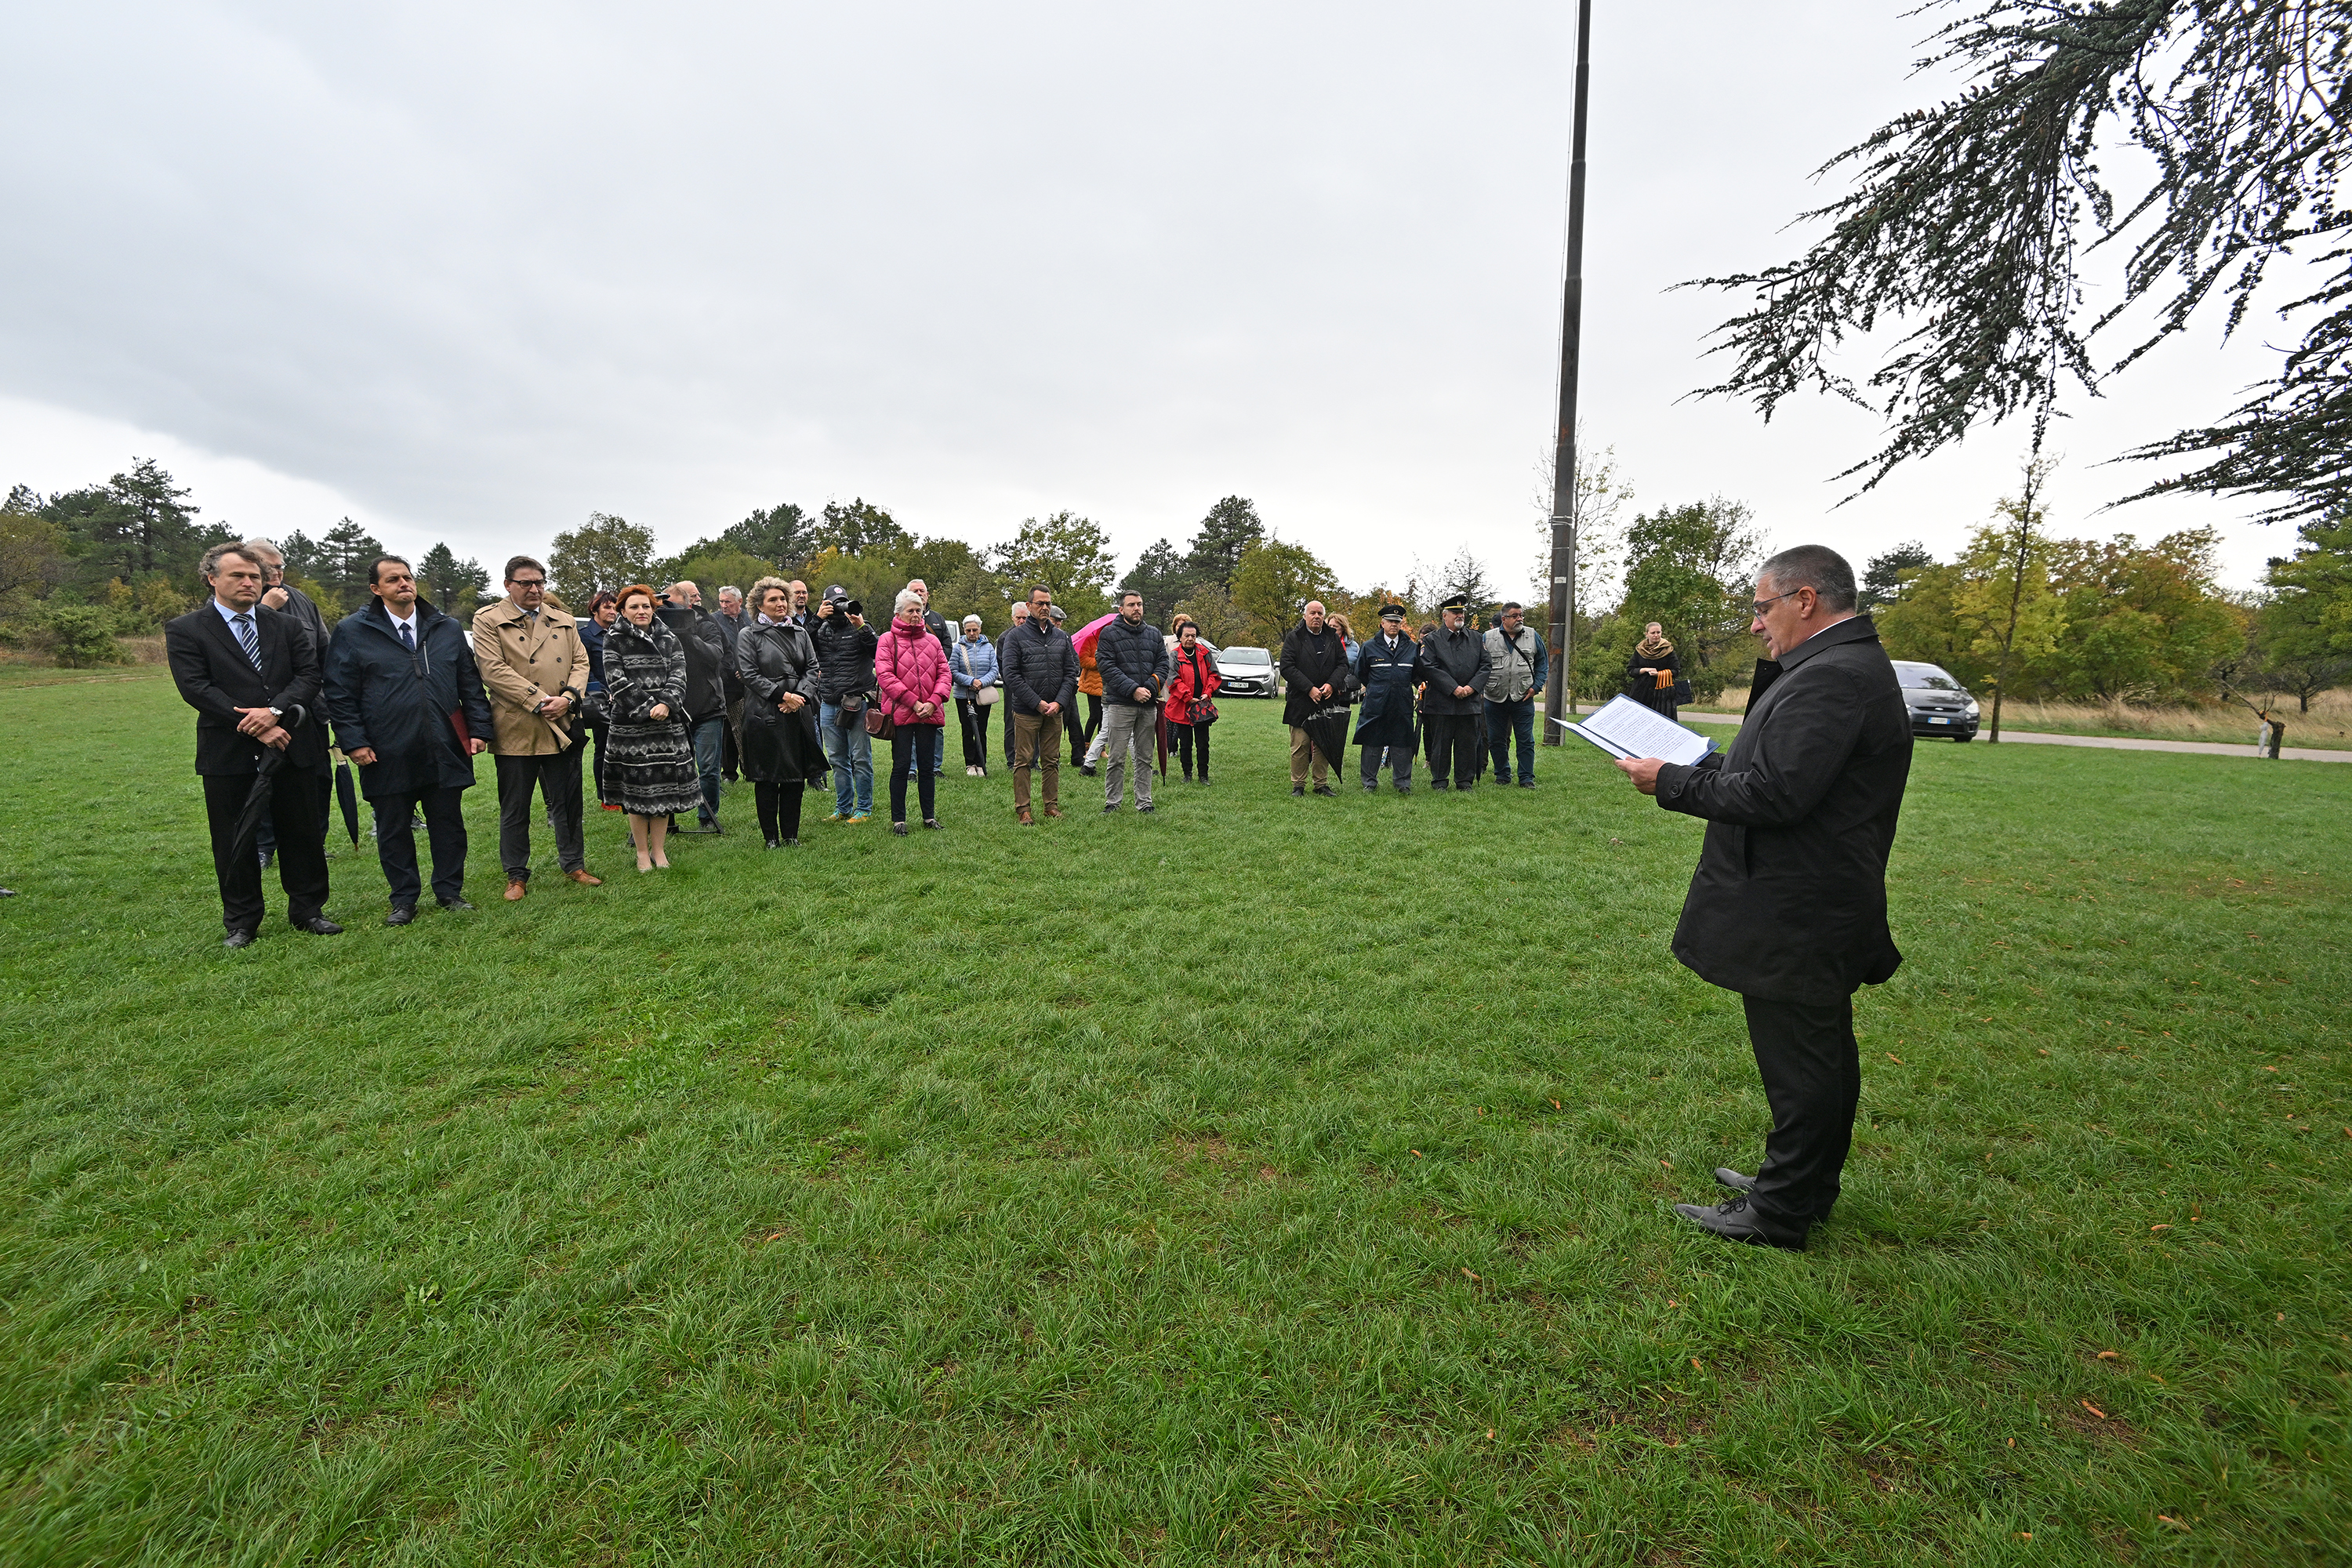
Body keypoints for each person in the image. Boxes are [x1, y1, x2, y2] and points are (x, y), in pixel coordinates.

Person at [1613, 546, 1913, 1252]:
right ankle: (1797, 1186)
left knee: (1803, 1060)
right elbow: (1777, 767)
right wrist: (1705, 761)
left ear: (1805, 600)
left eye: (1761, 607)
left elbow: (1778, 794)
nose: (1755, 626)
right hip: (1808, 894)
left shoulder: (1834, 676)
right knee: (1814, 1054)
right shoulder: (1831, 667)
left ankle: (1781, 1211)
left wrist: (1673, 782)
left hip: (1801, 904)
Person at [164, 543, 338, 945]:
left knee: (302, 831)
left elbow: (309, 676)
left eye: (255, 577)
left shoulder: (288, 626)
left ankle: (309, 911)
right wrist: (254, 723)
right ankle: (242, 921)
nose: (249, 583)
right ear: (212, 579)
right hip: (228, 750)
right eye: (238, 576)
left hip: (292, 743)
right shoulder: (186, 629)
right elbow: (195, 688)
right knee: (233, 837)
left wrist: (274, 712)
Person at [321, 554, 492, 924]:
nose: (404, 584)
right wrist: (353, 740)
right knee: (394, 827)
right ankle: (404, 900)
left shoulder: (445, 627)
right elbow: (339, 692)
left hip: (443, 744)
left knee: (448, 824)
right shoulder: (353, 630)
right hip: (386, 749)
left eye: (408, 577)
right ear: (375, 589)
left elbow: (469, 682)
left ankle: (450, 892)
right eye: (393, 579)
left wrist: (478, 729)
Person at [474, 555, 600, 900]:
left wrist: (570, 698)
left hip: (563, 723)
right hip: (517, 727)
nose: (534, 589)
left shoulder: (562, 619)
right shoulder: (488, 620)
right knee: (516, 807)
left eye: (540, 583)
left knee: (568, 803)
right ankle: (516, 875)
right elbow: (492, 670)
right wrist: (540, 700)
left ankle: (574, 864)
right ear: (508, 585)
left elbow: (580, 662)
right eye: (526, 583)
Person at [241, 536, 334, 867]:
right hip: (258, 713)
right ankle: (265, 846)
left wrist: (327, 699)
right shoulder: (243, 603)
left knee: (318, 780)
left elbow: (324, 652)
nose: (277, 572)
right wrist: (266, 609)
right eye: (269, 568)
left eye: (280, 566)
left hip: (308, 709)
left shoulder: (302, 600)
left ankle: (314, 841)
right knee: (264, 779)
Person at [600, 585, 704, 870]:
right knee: (637, 793)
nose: (641, 611)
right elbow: (616, 680)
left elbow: (680, 672)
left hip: (667, 726)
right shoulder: (614, 639)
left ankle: (659, 851)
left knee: (664, 792)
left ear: (653, 608)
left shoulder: (668, 636)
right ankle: (642, 853)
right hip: (631, 729)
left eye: (645, 606)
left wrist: (668, 703)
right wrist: (648, 708)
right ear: (623, 611)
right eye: (634, 607)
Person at [735, 577, 827, 848]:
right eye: (773, 600)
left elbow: (812, 669)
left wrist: (799, 697)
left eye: (783, 599)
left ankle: (790, 835)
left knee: (795, 778)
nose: (780, 604)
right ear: (759, 606)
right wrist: (782, 695)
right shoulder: (748, 635)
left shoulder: (800, 633)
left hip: (798, 712)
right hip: (763, 715)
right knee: (767, 778)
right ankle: (770, 838)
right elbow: (749, 674)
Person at [875, 587, 953, 833]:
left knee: (927, 767)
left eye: (919, 610)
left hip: (929, 713)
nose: (916, 615)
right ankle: (899, 820)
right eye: (911, 610)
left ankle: (929, 817)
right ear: (899, 613)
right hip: (901, 714)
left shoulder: (932, 640)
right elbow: (885, 676)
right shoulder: (887, 640)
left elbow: (945, 674)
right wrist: (913, 701)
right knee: (900, 767)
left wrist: (934, 701)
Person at [1001, 583, 1077, 824]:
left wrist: (1059, 702)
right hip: (1027, 710)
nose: (1045, 608)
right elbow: (1010, 675)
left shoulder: (1062, 637)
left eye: (1048, 603)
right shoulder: (1015, 637)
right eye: (1040, 603)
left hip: (1055, 711)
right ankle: (1023, 809)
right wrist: (1037, 703)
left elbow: (1071, 672)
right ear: (1029, 606)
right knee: (1023, 761)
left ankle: (1050, 805)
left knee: (1052, 760)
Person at [659, 580, 730, 832]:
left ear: (688, 604)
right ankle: (667, 819)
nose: (670, 610)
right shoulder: (658, 629)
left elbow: (715, 656)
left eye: (674, 604)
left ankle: (707, 817)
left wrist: (688, 636)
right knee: (670, 767)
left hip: (708, 707)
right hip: (674, 708)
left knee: (709, 767)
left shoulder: (707, 626)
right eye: (666, 605)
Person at [1096, 590, 1170, 813]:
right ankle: (1113, 802)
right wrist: (1133, 690)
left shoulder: (1154, 634)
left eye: (1139, 604)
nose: (1136, 608)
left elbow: (1163, 664)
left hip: (1147, 705)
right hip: (1120, 704)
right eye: (1131, 605)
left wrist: (1148, 688)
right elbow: (1107, 668)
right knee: (1117, 756)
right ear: (1121, 609)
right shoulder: (1109, 634)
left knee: (1145, 757)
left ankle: (1144, 802)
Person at [811, 586, 879, 823]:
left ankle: (864, 809)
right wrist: (816, 618)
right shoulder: (818, 628)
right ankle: (843, 808)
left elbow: (878, 651)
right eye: (833, 603)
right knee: (837, 759)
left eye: (842, 602)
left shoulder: (861, 626)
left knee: (860, 757)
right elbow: (799, 645)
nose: (839, 608)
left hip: (855, 701)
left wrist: (861, 626)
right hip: (828, 701)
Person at [1418, 596, 1490, 790]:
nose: (1460, 616)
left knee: (1467, 744)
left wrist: (1471, 687)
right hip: (1442, 703)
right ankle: (1440, 781)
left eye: (1462, 613)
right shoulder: (1432, 640)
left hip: (1469, 702)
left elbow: (1486, 665)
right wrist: (1453, 688)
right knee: (1440, 745)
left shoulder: (1476, 638)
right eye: (1455, 613)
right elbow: (1429, 667)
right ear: (1445, 616)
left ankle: (1464, 781)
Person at [1279, 600, 1348, 796]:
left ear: (1324, 617)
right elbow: (1287, 667)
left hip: (1326, 699)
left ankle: (1321, 784)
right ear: (1305, 616)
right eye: (1312, 613)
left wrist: (1331, 684)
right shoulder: (1294, 638)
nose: (1316, 617)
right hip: (1300, 701)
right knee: (1300, 745)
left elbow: (1343, 665)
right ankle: (1298, 785)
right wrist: (1309, 688)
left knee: (1323, 745)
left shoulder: (1332, 638)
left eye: (1320, 613)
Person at [1353, 603, 1421, 793]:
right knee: (1372, 742)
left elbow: (1417, 673)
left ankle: (1402, 784)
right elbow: (1361, 673)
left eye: (1397, 622)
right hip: (1376, 702)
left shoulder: (1411, 648)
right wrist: (1378, 688)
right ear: (1382, 623)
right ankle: (1369, 783)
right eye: (1390, 621)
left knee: (1402, 743)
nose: (1394, 625)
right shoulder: (1369, 647)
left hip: (1402, 702)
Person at [1483, 601, 1549, 788]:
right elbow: (1480, 664)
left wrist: (1536, 687)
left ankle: (1526, 777)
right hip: (1494, 697)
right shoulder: (1488, 637)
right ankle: (1502, 775)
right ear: (1504, 619)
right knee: (1496, 739)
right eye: (1515, 616)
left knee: (1526, 739)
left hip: (1523, 697)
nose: (1520, 619)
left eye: (1521, 615)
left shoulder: (1533, 635)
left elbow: (1542, 664)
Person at [1165, 618, 1221, 784]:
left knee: (1203, 743)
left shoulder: (1205, 653)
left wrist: (1207, 693)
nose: (1190, 639)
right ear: (1180, 637)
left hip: (1202, 707)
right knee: (1185, 744)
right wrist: (1188, 698)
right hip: (1183, 706)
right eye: (1187, 636)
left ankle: (1203, 775)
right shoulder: (1174, 656)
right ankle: (1187, 774)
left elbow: (1215, 675)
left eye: (1193, 636)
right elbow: (1172, 680)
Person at [579, 590, 619, 805]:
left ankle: (623, 791)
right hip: (601, 700)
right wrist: (605, 692)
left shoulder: (619, 633)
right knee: (603, 747)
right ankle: (605, 796)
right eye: (607, 607)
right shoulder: (585, 636)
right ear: (595, 610)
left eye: (615, 607)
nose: (612, 611)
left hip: (623, 697)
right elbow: (584, 669)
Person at [951, 613, 1000, 775]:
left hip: (983, 696)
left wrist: (982, 682)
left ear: (980, 629)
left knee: (981, 729)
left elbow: (995, 670)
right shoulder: (958, 648)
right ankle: (969, 763)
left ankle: (981, 762)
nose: (972, 633)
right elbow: (953, 670)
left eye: (975, 630)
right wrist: (971, 681)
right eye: (968, 630)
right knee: (967, 730)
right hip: (963, 696)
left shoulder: (988, 647)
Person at [713, 585, 748, 783]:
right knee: (729, 729)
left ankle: (749, 767)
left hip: (751, 682)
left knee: (747, 727)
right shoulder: (715, 620)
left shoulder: (750, 618)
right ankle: (729, 772)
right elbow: (720, 650)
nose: (724, 606)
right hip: (728, 683)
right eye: (721, 602)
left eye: (728, 602)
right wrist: (732, 671)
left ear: (739, 602)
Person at [997, 600, 1031, 770]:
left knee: (1034, 722)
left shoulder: (1034, 635)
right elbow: (1004, 667)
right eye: (1019, 618)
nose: (1022, 621)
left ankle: (1033, 760)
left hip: (1033, 687)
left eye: (1025, 617)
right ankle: (1012, 760)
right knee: (1011, 723)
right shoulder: (1005, 638)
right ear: (1012, 618)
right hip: (1012, 688)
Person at [1627, 622, 1685, 720]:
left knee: (1662, 721)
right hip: (1641, 692)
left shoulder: (1668, 650)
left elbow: (1676, 671)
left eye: (1658, 632)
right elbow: (1631, 670)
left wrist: (1659, 674)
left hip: (1662, 693)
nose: (1656, 635)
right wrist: (1644, 670)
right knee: (1638, 721)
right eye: (1653, 633)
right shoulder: (1639, 650)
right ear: (1647, 634)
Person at [1073, 620, 1105, 771]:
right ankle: (1086, 746)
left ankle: (1101, 748)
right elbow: (1083, 660)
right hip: (1093, 685)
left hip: (1107, 685)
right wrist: (1100, 662)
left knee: (1105, 717)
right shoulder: (1090, 640)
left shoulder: (1111, 641)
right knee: (1095, 716)